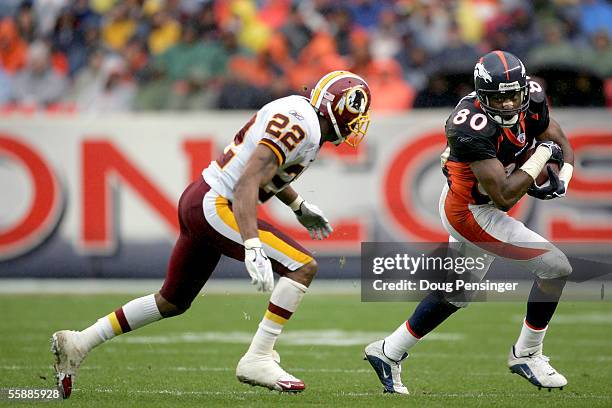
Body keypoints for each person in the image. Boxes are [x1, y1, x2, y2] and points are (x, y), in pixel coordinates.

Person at [51, 70, 372, 398]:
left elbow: (262, 174)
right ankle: (258, 357)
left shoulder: (302, 116)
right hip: (215, 204)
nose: (356, 125)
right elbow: (248, 180)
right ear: (342, 109)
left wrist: (299, 205)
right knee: (302, 265)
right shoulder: (301, 125)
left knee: (172, 301)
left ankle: (79, 342)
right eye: (356, 115)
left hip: (200, 197)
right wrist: (252, 244)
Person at [364, 50, 574, 394]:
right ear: (482, 95)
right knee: (556, 268)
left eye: (512, 95)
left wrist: (563, 175)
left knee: (456, 293)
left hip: (482, 206)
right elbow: (506, 194)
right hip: (471, 213)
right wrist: (541, 157)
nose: (507, 104)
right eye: (498, 97)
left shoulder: (532, 98)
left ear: (523, 89)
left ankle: (388, 351)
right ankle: (527, 353)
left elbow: (559, 139)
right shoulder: (469, 124)